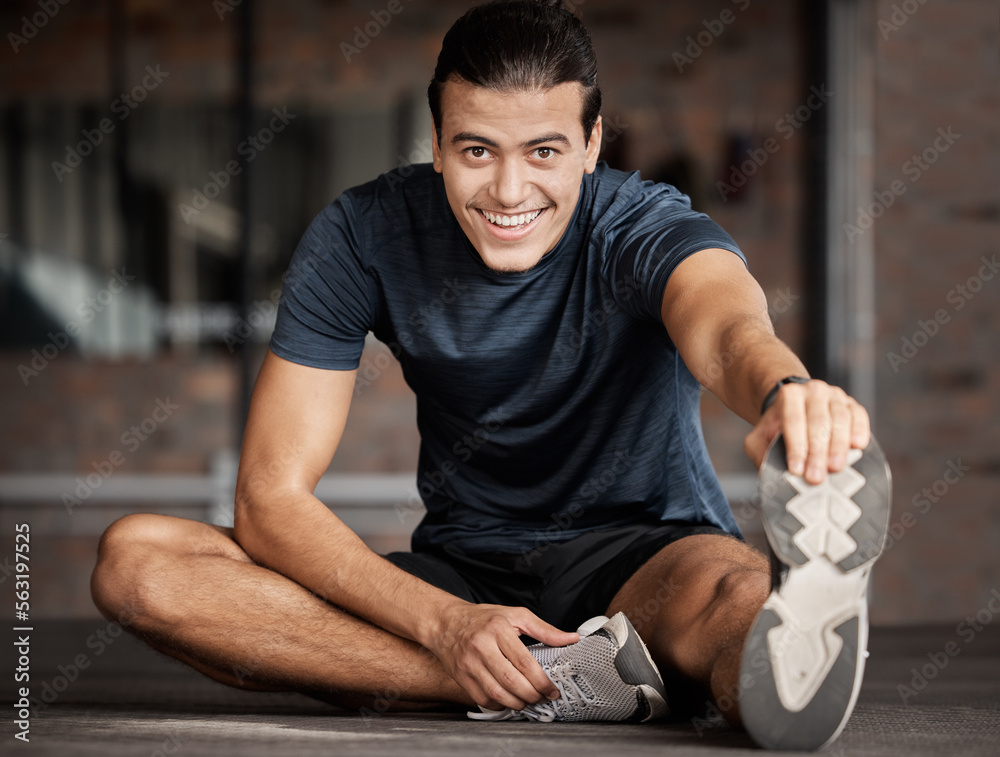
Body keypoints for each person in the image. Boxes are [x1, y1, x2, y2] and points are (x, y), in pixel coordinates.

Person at [91, 0, 890, 750]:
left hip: (646, 556)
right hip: (461, 570)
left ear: (591, 144)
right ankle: (566, 682)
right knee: (140, 564)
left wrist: (788, 392)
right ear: (435, 145)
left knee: (742, 603)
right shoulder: (361, 235)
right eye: (477, 151)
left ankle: (720, 667)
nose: (510, 191)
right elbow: (269, 496)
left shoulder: (641, 223)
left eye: (544, 151)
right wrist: (443, 624)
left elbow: (724, 326)